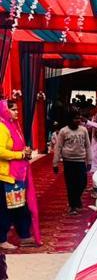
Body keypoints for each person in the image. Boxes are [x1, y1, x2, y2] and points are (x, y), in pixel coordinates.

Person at [0, 99, 40, 250]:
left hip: (17, 174)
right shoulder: (2, 127)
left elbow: (18, 146)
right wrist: (20, 155)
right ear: (5, 111)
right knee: (7, 208)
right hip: (6, 175)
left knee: (19, 205)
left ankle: (24, 235)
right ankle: (2, 239)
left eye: (17, 109)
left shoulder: (13, 125)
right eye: (13, 109)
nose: (17, 112)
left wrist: (25, 152)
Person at [53, 109, 92, 214]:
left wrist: (89, 161)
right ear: (70, 119)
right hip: (68, 161)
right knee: (71, 184)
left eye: (79, 118)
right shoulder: (63, 131)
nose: (78, 120)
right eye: (75, 118)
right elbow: (58, 147)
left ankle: (76, 199)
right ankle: (73, 206)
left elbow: (88, 146)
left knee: (83, 183)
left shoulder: (83, 130)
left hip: (80, 161)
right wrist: (55, 163)